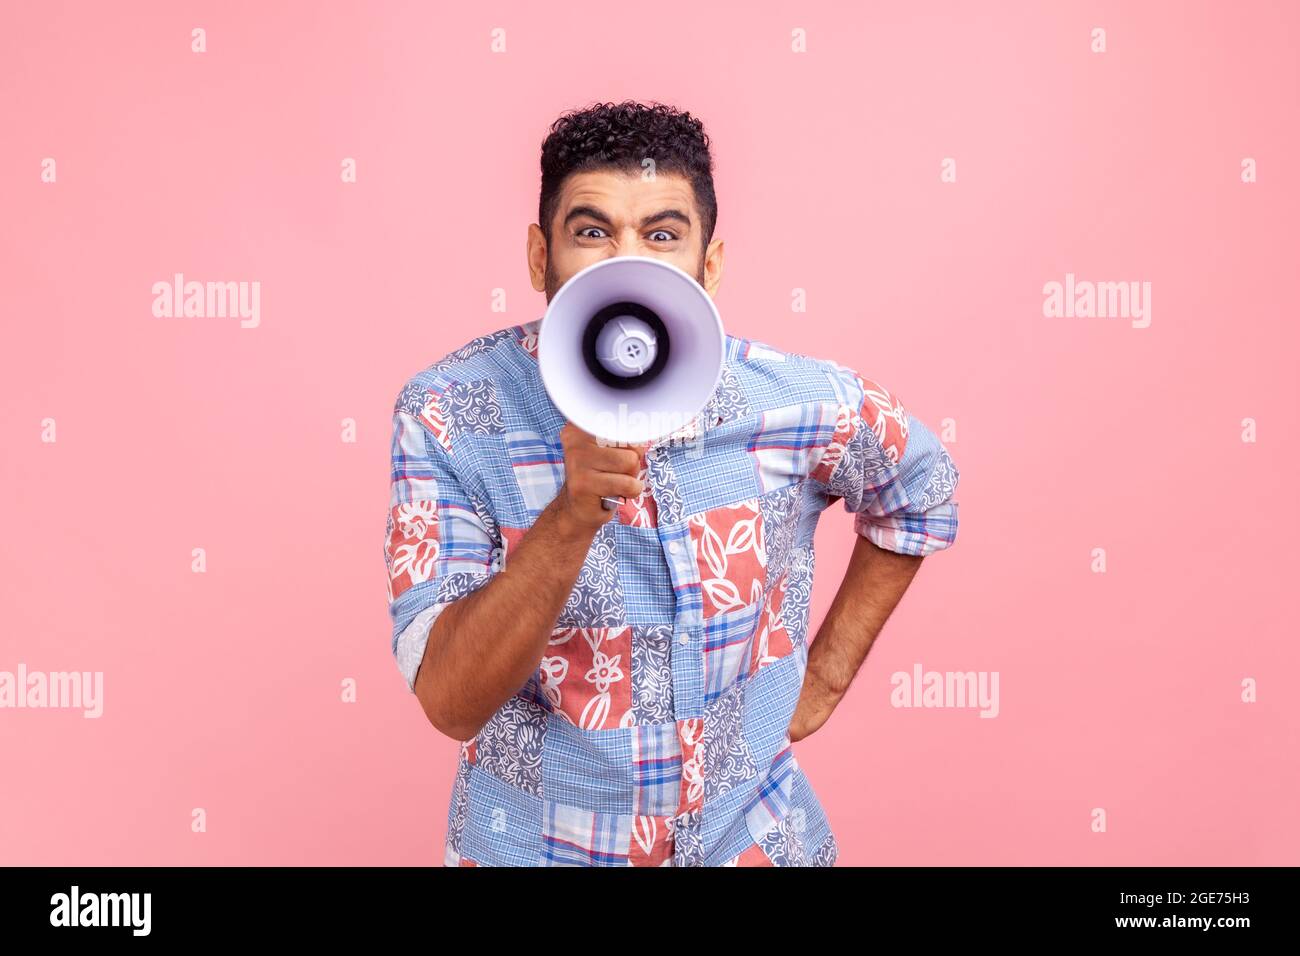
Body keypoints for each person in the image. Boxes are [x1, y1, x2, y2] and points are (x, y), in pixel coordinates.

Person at [383, 100, 960, 866]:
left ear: (708, 266)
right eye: (592, 232)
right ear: (538, 257)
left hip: (746, 840)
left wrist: (824, 674)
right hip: (534, 847)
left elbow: (922, 492)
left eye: (662, 235)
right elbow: (451, 701)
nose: (628, 263)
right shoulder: (451, 412)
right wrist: (571, 513)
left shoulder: (796, 401)